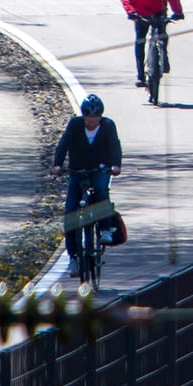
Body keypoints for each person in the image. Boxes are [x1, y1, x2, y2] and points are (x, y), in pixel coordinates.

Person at [51, 94, 121, 278]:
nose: (91, 122)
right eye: (88, 118)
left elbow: (115, 146)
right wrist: (57, 164)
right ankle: (73, 258)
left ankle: (105, 229)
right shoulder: (75, 125)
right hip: (77, 171)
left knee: (100, 189)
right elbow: (63, 144)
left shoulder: (107, 126)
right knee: (70, 212)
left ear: (100, 116)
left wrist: (115, 165)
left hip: (100, 169)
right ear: (83, 116)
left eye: (94, 118)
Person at [120, 0, 184, 86]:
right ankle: (140, 75)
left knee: (162, 34)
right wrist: (131, 12)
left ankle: (163, 55)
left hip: (158, 10)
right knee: (140, 41)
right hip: (140, 13)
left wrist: (177, 12)